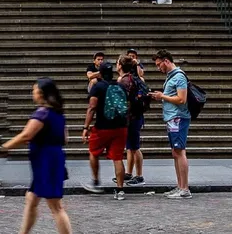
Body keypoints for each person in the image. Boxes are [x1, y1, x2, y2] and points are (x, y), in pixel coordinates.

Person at [0, 78, 71, 234]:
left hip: (46, 162)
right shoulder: (57, 113)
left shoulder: (42, 113)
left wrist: (6, 146)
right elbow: (65, 138)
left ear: (41, 93)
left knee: (56, 206)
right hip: (52, 159)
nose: (32, 93)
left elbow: (26, 135)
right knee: (31, 199)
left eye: (34, 90)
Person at [82, 61, 128, 200]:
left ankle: (96, 182)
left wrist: (85, 127)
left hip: (102, 127)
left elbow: (92, 107)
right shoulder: (120, 85)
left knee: (93, 152)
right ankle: (120, 190)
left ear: (100, 73)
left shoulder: (98, 87)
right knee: (118, 158)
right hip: (121, 127)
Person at [150, 51, 192, 199]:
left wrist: (162, 96)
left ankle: (184, 188)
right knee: (176, 152)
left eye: (159, 64)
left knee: (179, 151)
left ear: (166, 61)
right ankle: (180, 186)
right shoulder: (171, 77)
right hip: (173, 118)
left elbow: (182, 99)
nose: (158, 68)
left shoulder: (179, 76)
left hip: (178, 118)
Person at [118, 56, 148, 186]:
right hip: (137, 116)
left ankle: (139, 176)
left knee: (135, 147)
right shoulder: (136, 79)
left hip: (130, 117)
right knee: (130, 147)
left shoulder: (123, 80)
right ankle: (129, 173)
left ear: (120, 66)